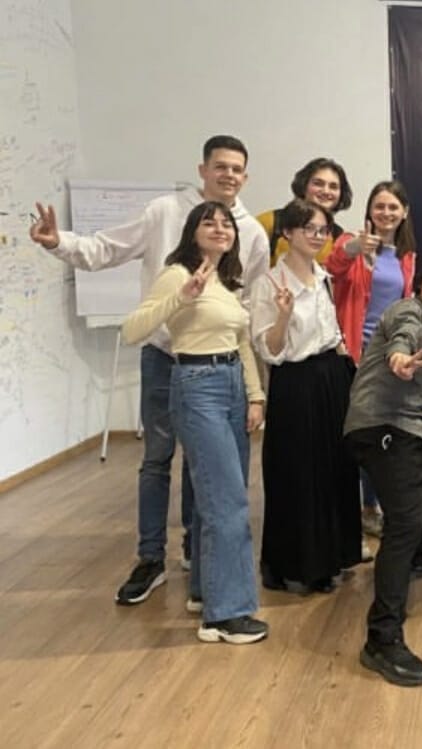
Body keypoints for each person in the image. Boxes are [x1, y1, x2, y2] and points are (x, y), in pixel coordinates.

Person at [28, 135, 269, 605]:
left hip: (219, 366)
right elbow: (106, 248)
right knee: (158, 458)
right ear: (202, 170)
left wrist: (255, 385)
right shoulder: (164, 212)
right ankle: (150, 558)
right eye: (220, 166)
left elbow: (247, 305)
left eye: (237, 169)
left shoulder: (251, 233)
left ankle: (197, 553)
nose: (228, 175)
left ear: (246, 176)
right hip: (165, 356)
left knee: (205, 466)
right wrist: (60, 243)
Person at [121, 201, 267, 644]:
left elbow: (241, 342)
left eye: (227, 223)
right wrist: (181, 297)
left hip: (232, 385)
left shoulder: (226, 281)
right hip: (197, 383)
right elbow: (132, 330)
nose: (220, 228)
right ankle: (226, 615)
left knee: (216, 499)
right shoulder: (177, 274)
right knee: (228, 503)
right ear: (192, 230)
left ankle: (206, 593)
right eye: (209, 222)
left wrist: (255, 395)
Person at [344, 251, 422, 687]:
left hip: (404, 425)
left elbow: (417, 394)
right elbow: (403, 340)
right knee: (403, 525)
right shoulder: (410, 312)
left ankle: (415, 558)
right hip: (382, 425)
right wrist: (399, 358)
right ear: (421, 282)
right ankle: (382, 638)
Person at [251, 199, 360, 594]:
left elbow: (332, 332)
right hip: (295, 382)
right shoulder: (269, 283)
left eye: (322, 230)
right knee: (296, 472)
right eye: (309, 228)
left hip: (331, 377)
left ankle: (332, 556)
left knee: (335, 468)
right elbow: (269, 350)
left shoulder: (323, 276)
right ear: (288, 232)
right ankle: (294, 565)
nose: (317, 236)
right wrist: (282, 315)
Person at [325, 180, 417, 538]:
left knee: (380, 435)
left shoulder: (407, 255)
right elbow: (334, 266)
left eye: (393, 206)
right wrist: (354, 248)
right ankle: (348, 514)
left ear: (404, 212)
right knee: (353, 435)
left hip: (388, 359)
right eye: (379, 206)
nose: (386, 213)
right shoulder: (353, 242)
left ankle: (371, 507)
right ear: (369, 210)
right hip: (352, 356)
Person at [258, 157, 352, 266]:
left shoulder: (339, 238)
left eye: (333, 187)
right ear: (303, 186)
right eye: (318, 183)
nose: (326, 191)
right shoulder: (271, 222)